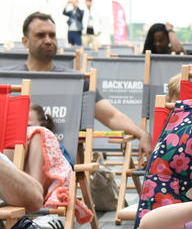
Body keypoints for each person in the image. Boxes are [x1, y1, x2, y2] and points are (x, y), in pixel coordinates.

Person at [13, 12, 152, 159]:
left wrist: (142, 134)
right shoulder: (8, 80)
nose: (48, 40)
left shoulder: (75, 82)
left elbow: (111, 116)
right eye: (40, 35)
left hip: (59, 163)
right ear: (25, 41)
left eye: (52, 35)